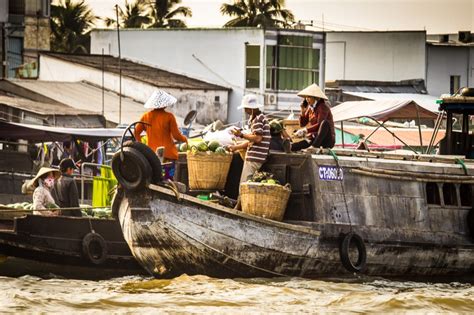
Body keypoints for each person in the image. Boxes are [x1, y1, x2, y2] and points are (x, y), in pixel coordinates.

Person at [228, 94, 271, 209]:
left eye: (246, 108)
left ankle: (238, 209)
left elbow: (257, 138)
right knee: (246, 184)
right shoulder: (258, 118)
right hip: (255, 157)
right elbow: (253, 141)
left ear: (251, 108)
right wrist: (235, 148)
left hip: (255, 158)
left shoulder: (257, 119)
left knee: (244, 185)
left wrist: (241, 134)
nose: (245, 110)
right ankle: (239, 207)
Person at [134, 90, 188, 179]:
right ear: (165, 104)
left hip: (152, 156)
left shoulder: (146, 116)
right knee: (167, 181)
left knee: (154, 179)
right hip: (168, 156)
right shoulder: (169, 116)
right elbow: (176, 135)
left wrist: (141, 147)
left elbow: (136, 132)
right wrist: (185, 139)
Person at [291, 83, 336, 151]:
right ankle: (290, 146)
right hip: (314, 138)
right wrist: (302, 111)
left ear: (315, 98)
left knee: (324, 123)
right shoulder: (310, 108)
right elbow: (302, 124)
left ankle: (314, 146)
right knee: (297, 146)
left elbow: (319, 124)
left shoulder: (323, 107)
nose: (306, 99)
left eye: (308, 97)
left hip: (326, 140)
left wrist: (305, 130)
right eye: (306, 97)